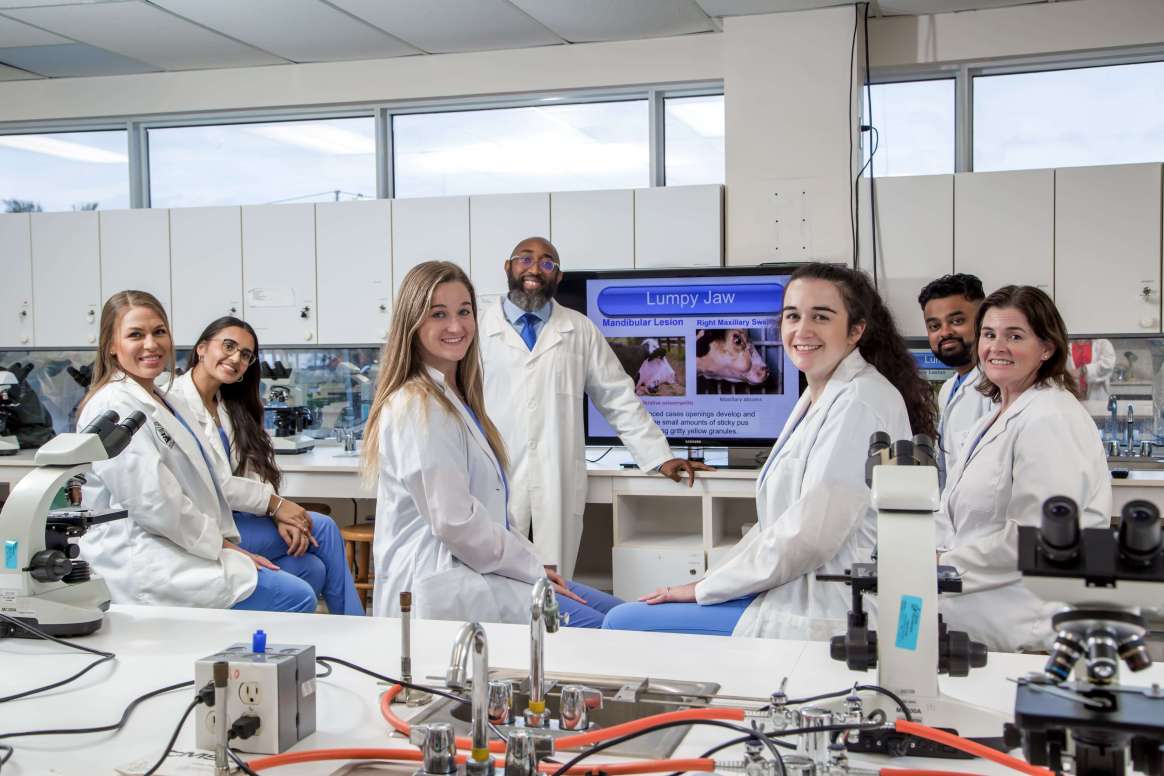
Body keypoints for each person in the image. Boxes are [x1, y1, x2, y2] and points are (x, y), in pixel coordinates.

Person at [604, 263, 935, 639]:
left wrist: (701, 590)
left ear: (855, 330)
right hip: (790, 587)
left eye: (821, 317)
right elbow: (777, 527)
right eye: (793, 315)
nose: (802, 330)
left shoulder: (859, 401)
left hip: (823, 607)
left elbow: (809, 536)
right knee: (621, 611)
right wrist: (712, 581)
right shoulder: (823, 393)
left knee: (621, 624)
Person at [364, 261, 621, 626]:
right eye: (439, 314)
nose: (456, 326)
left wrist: (533, 565)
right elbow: (457, 524)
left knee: (620, 612)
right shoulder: (417, 405)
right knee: (607, 627)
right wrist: (531, 568)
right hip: (445, 583)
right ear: (413, 322)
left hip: (481, 568)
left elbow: (491, 514)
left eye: (464, 311)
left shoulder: (455, 398)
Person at [479, 236, 712, 578]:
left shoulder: (579, 329)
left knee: (553, 584)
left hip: (554, 474)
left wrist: (659, 456)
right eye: (525, 258)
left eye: (547, 263)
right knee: (489, 575)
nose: (535, 268)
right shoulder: (478, 326)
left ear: (558, 277)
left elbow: (618, 397)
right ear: (508, 267)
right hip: (493, 471)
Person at [76, 291, 317, 612]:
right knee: (298, 596)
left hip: (185, 541)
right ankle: (244, 659)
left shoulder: (165, 400)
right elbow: (155, 504)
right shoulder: (113, 405)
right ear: (111, 346)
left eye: (159, 332)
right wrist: (222, 546)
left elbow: (206, 479)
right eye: (136, 335)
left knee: (307, 568)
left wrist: (227, 543)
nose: (151, 344)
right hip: (150, 559)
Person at [938, 285, 1110, 652]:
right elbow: (954, 517)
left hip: (1026, 632)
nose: (996, 347)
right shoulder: (996, 415)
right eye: (988, 334)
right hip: (975, 623)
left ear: (1046, 348)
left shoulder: (1050, 417)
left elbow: (1039, 537)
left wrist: (941, 565)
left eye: (1014, 336)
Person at [168, 316, 364, 615]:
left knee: (309, 567)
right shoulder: (175, 402)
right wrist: (275, 505)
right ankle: (356, 630)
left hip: (238, 518)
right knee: (321, 528)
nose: (236, 358)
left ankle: (286, 651)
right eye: (229, 346)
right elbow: (211, 480)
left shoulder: (227, 404)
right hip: (207, 527)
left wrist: (278, 515)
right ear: (202, 348)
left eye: (245, 355)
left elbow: (254, 469)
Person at [917, 274, 994, 487]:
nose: (945, 332)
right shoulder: (948, 388)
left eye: (957, 321)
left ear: (983, 321)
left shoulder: (998, 385)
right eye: (934, 326)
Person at [1069, 338, 1116, 403]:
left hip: (1097, 398)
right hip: (1074, 399)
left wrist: (1083, 370)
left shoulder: (1103, 343)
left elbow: (1108, 364)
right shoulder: (1068, 346)